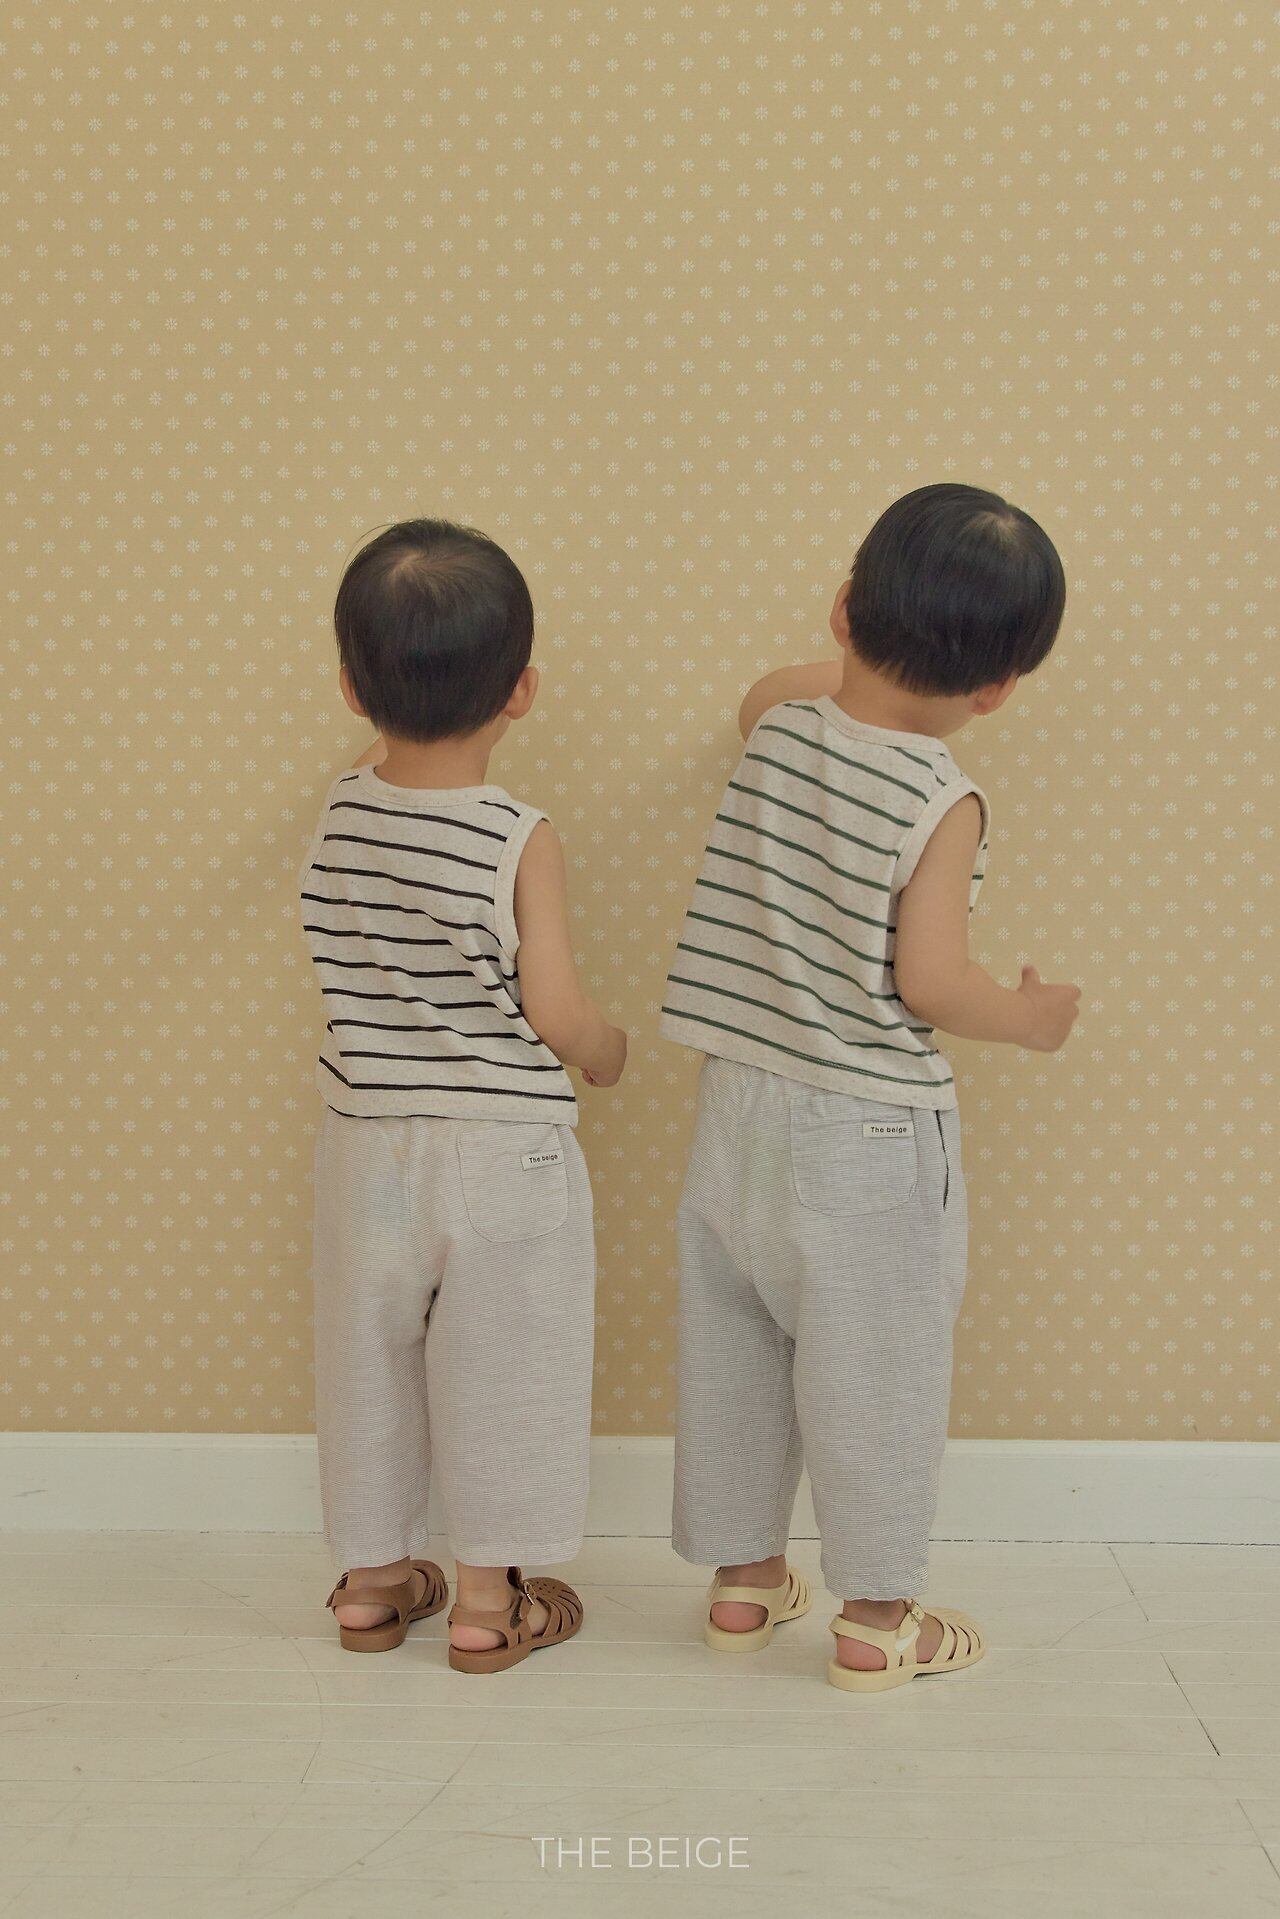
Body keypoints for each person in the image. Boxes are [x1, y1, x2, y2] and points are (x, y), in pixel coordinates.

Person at [660, 483, 1081, 1691]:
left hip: (736, 1108)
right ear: (999, 688)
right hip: (864, 1132)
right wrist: (1029, 1019)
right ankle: (878, 1617)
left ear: (843, 608)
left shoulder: (778, 725)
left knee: (735, 1349)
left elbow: (774, 684)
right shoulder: (943, 797)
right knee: (875, 1372)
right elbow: (932, 981)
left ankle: (744, 1582)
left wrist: (857, 655)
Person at [298, 519, 626, 1671]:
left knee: (368, 1357)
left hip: (365, 1147)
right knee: (507, 1366)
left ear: (352, 687)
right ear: (521, 690)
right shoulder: (517, 838)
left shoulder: (339, 812)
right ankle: (489, 1601)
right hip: (500, 1149)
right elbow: (555, 1008)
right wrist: (605, 1051)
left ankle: (372, 1581)